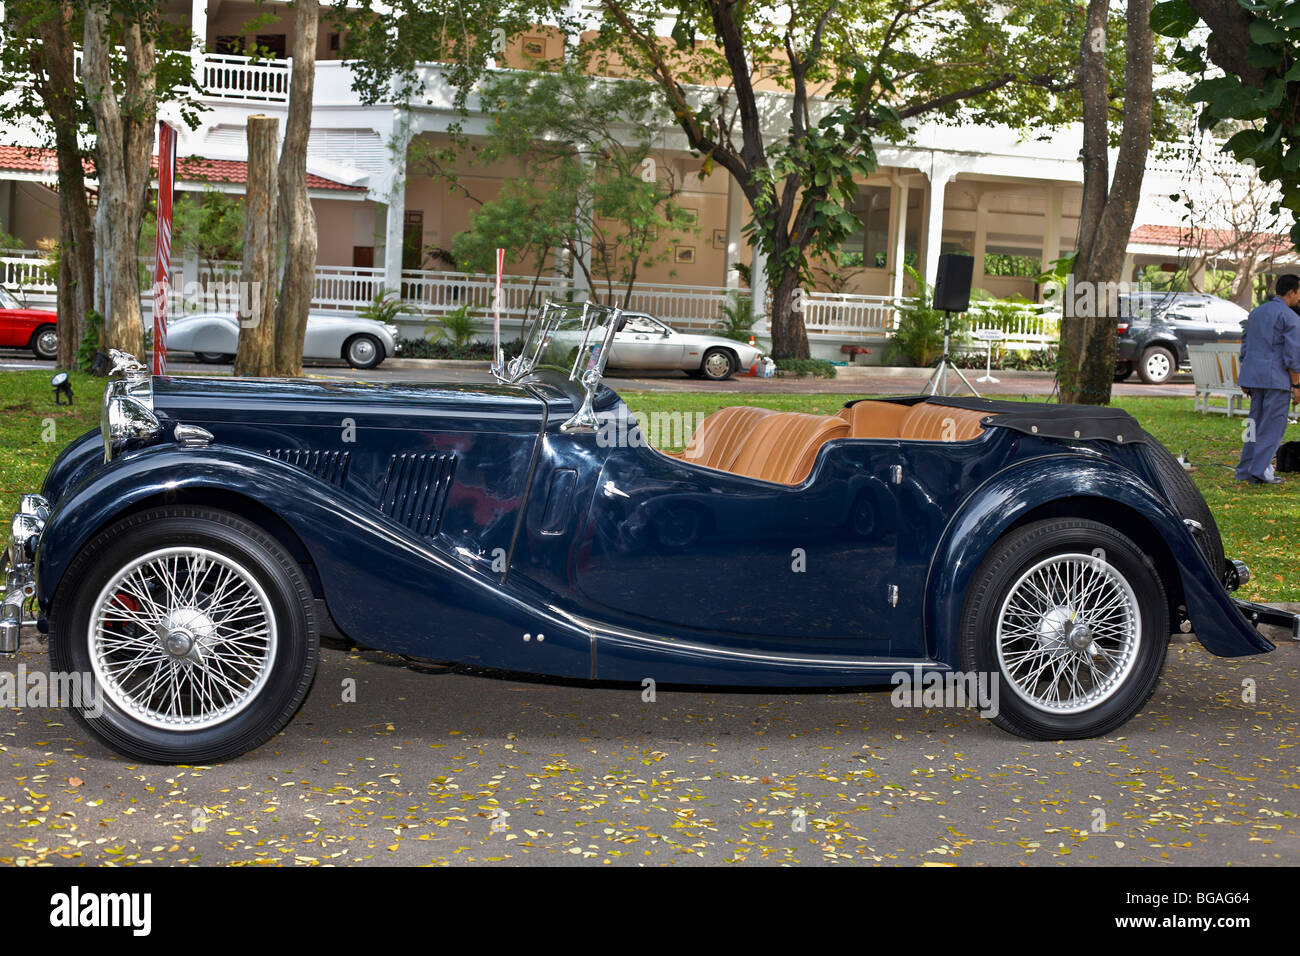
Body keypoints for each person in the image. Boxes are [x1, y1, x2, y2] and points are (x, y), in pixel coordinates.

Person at [1235, 274, 1300, 484]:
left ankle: (1245, 469)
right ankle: (1260, 470)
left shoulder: (1256, 312)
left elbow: (1245, 345)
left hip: (1254, 378)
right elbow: (1293, 356)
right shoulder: (1290, 318)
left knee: (1253, 425)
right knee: (1272, 427)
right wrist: (1297, 384)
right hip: (1277, 379)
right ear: (1291, 292)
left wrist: (1245, 374)